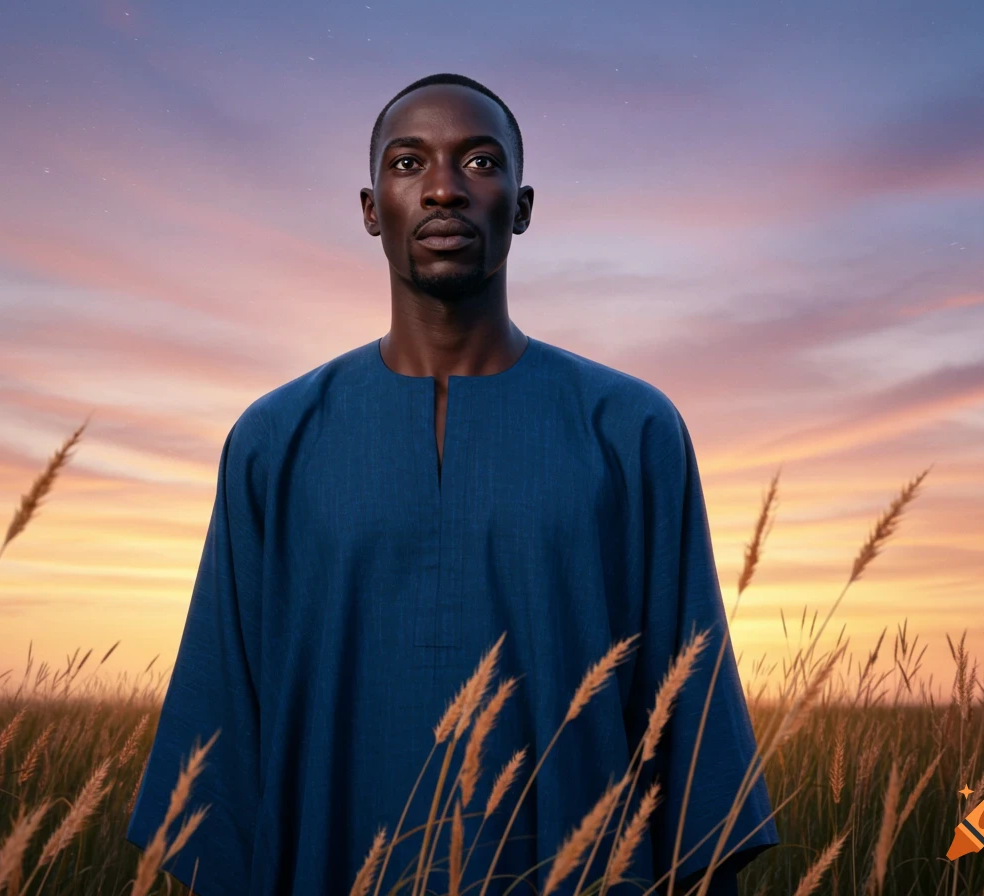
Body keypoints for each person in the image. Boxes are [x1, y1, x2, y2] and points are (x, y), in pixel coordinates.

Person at [127, 72, 779, 896]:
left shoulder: (631, 430)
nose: (443, 187)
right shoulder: (273, 440)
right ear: (371, 210)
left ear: (523, 205)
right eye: (408, 164)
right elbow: (220, 737)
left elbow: (690, 738)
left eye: (479, 161)